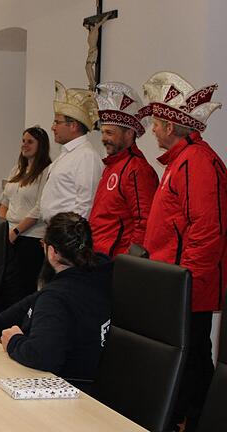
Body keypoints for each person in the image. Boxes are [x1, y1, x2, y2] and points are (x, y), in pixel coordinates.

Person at [140, 71, 226, 431]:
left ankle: (195, 420)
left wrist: (185, 283)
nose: (154, 131)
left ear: (172, 126)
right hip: (175, 280)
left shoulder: (197, 163)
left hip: (187, 285)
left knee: (191, 358)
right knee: (187, 355)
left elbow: (207, 231)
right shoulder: (181, 161)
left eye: (157, 124)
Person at [0, 212, 112, 388]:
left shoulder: (56, 297)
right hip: (94, 387)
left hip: (65, 391)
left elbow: (43, 357)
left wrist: (14, 341)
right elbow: (31, 302)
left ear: (52, 252)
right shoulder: (99, 273)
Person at [89, 82, 158, 256]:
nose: (104, 139)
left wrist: (127, 261)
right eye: (103, 132)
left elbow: (145, 222)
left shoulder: (137, 170)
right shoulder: (112, 165)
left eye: (110, 133)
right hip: (99, 258)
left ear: (129, 134)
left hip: (115, 263)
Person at [0, 126, 52, 311]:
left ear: (41, 145)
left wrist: (17, 231)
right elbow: (4, 200)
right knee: (6, 286)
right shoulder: (18, 168)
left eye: (30, 142)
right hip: (9, 233)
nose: (24, 145)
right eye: (23, 141)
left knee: (23, 288)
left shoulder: (46, 172)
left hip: (30, 236)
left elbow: (39, 208)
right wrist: (3, 225)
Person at [36, 81, 103, 221]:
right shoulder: (67, 153)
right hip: (56, 233)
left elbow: (86, 204)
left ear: (73, 126)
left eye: (57, 122)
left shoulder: (86, 156)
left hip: (69, 237)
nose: (52, 127)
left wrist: (69, 236)